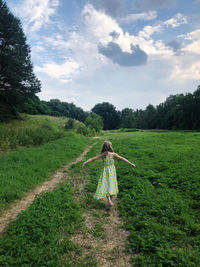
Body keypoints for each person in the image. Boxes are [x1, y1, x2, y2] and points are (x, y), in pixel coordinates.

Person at [81, 140, 136, 210]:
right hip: (112, 171)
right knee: (111, 185)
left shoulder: (103, 154)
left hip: (105, 172)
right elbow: (122, 158)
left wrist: (85, 162)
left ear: (103, 147)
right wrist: (131, 163)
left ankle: (109, 202)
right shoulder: (113, 154)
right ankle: (110, 202)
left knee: (106, 185)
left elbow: (93, 158)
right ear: (110, 146)